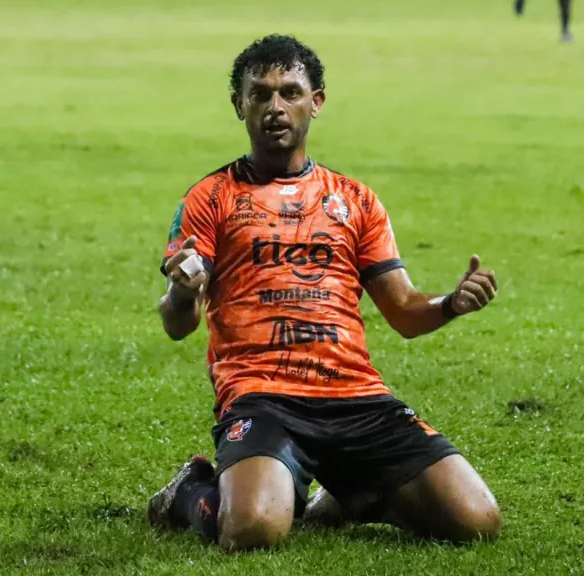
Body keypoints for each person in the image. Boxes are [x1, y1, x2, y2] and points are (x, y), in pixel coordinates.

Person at [148, 34, 501, 552]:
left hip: (355, 398)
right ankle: (190, 491)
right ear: (238, 105)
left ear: (316, 102)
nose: (275, 107)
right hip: (263, 397)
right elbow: (178, 323)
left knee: (477, 522)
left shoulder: (355, 200)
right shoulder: (211, 198)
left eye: (290, 92)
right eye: (260, 93)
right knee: (250, 532)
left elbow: (404, 311)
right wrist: (182, 295)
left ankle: (354, 493)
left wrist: (450, 304)